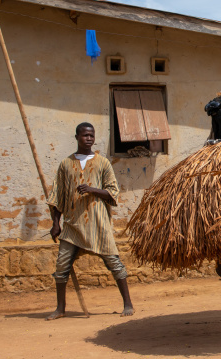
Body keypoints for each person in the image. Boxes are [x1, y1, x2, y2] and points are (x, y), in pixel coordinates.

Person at [45, 122, 134, 320]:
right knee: (62, 266)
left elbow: (113, 192)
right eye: (85, 135)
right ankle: (60, 308)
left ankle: (128, 303)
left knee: (114, 263)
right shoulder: (66, 164)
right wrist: (55, 224)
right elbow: (57, 197)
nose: (89, 139)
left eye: (92, 135)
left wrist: (93, 189)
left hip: (98, 224)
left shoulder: (102, 163)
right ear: (77, 137)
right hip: (72, 224)